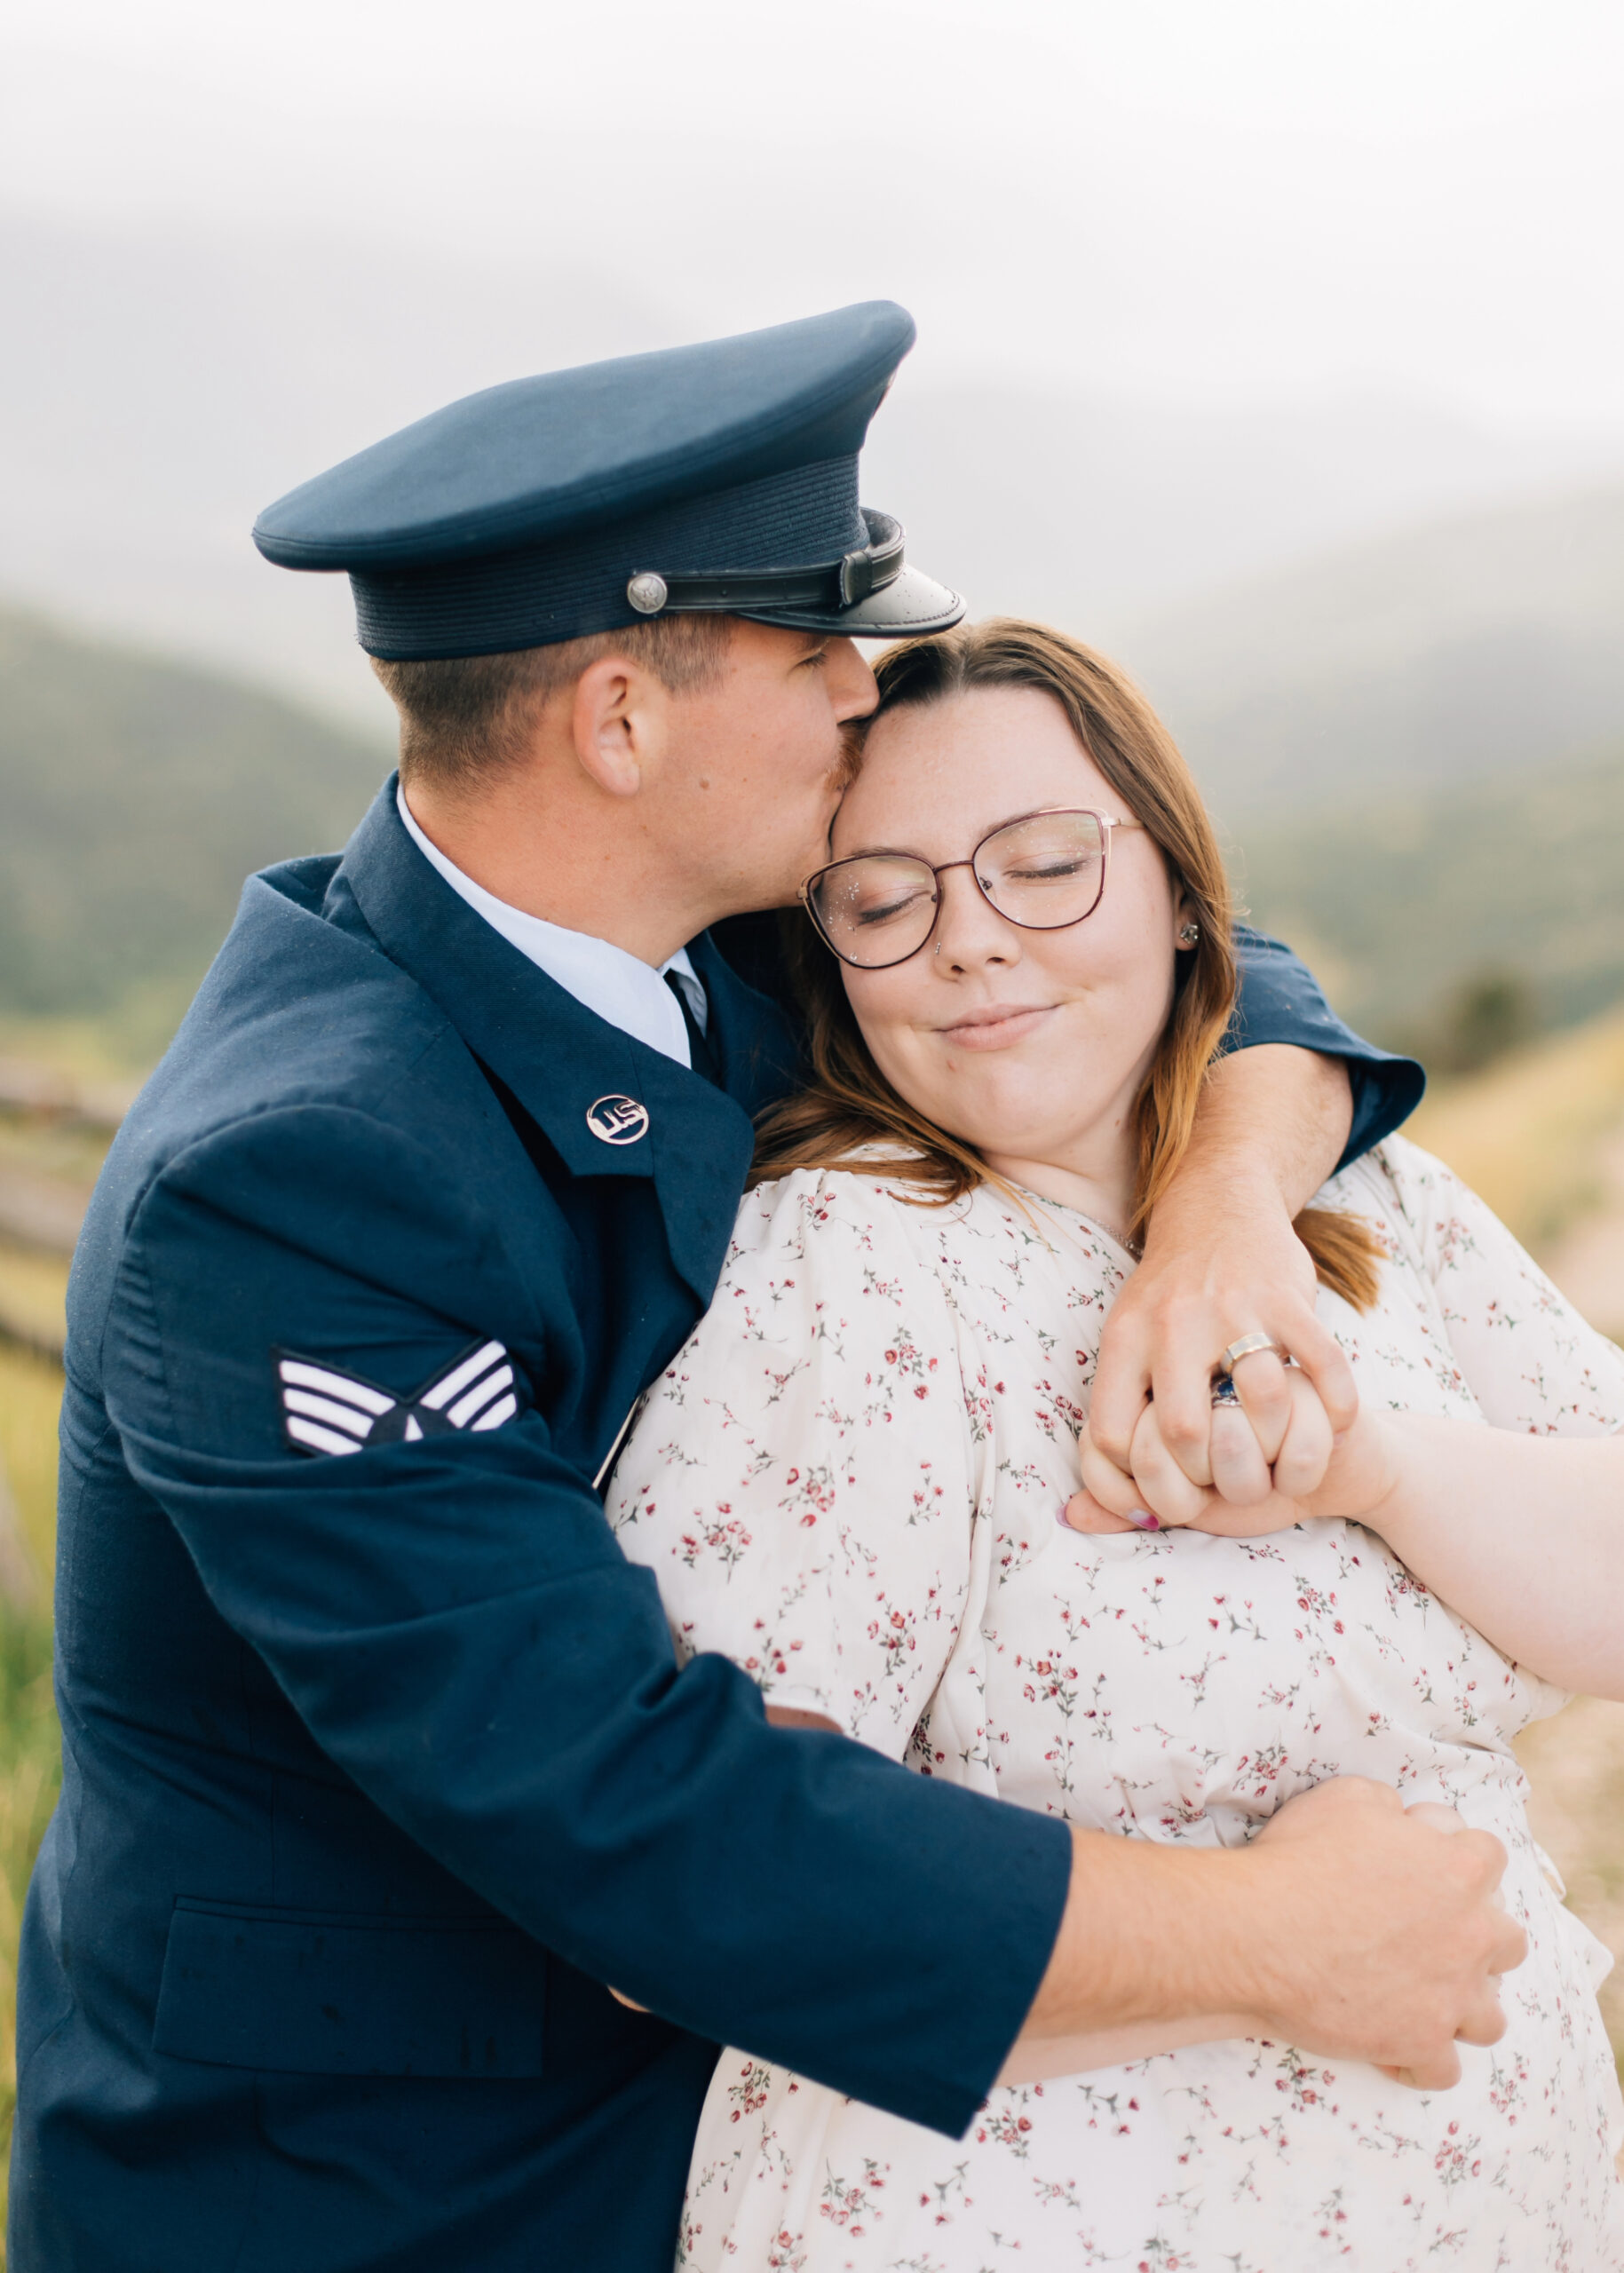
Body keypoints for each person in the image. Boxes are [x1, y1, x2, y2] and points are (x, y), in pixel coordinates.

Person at [10, 308, 1517, 2273]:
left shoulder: (696, 940)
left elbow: (1198, 946)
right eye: (816, 644)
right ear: (624, 721)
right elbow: (625, 1794)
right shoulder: (293, 1182)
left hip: (733, 2119)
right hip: (383, 2178)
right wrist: (1284, 1944)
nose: (858, 687)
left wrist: (1224, 1207)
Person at [608, 617, 1624, 2271]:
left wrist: (1375, 1471)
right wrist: (1267, 1952)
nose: (971, 943)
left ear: (1176, 884)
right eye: (885, 899)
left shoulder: (1363, 1201)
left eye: (1045, 864)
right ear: (825, 953)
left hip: (1494, 2204)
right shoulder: (839, 1271)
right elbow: (698, 1911)